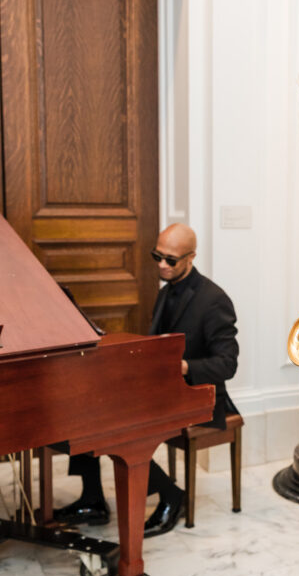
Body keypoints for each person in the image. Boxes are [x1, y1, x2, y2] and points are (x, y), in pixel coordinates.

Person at [54, 223, 239, 537]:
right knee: (86, 410)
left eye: (171, 260)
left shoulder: (213, 300)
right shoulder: (166, 291)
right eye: (158, 256)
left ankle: (169, 494)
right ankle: (92, 497)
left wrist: (181, 367)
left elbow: (227, 364)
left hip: (199, 397)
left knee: (114, 426)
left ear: (191, 257)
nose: (162, 265)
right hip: (162, 390)